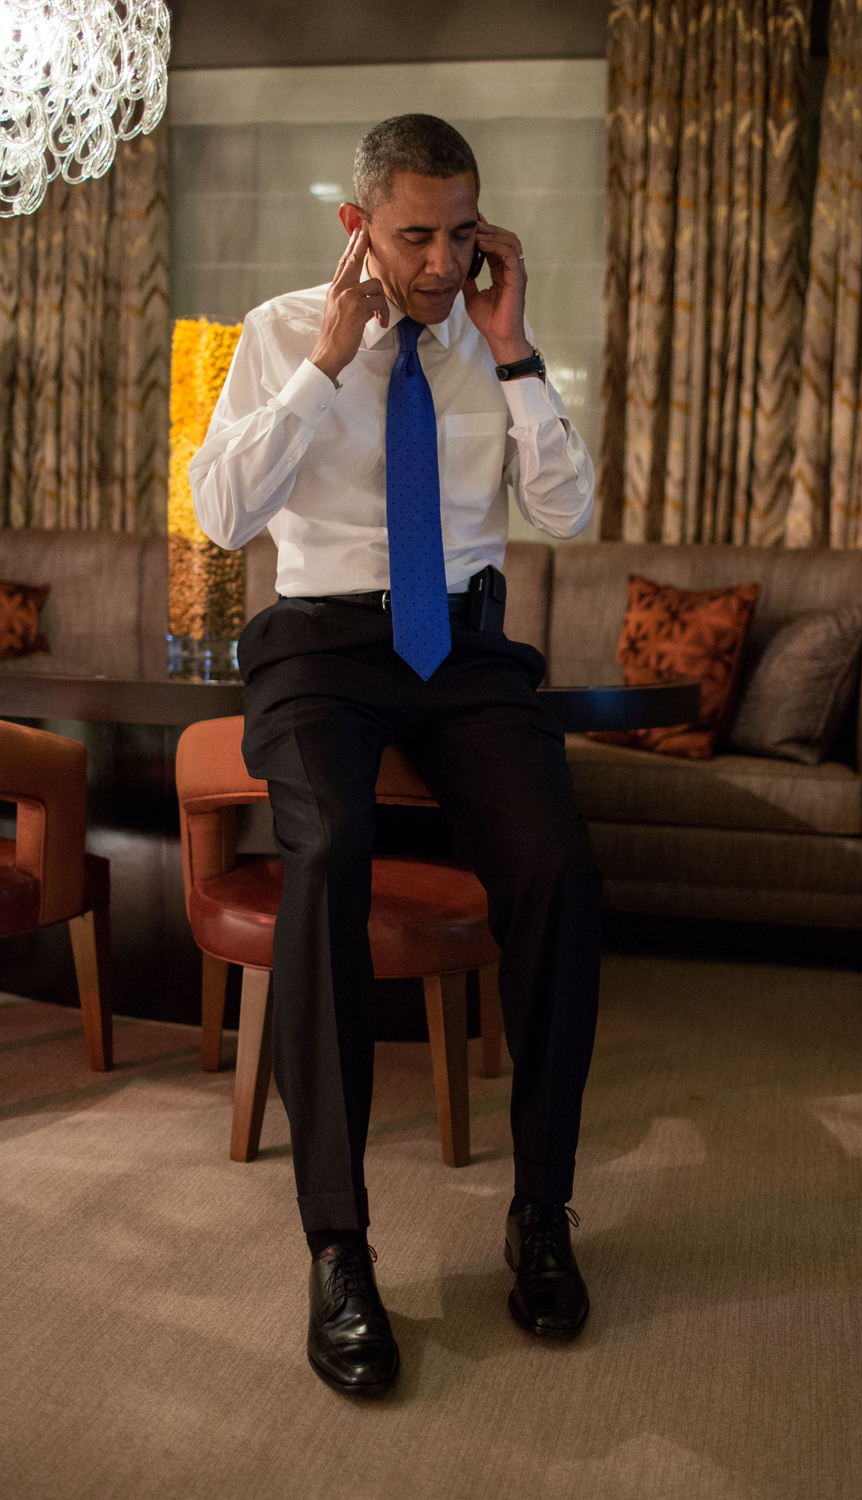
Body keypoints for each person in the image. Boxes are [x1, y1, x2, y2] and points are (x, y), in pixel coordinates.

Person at [190, 114, 601, 1397]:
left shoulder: (490, 345)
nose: (440, 260)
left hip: (465, 654)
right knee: (330, 851)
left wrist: (516, 350)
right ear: (358, 226)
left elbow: (568, 513)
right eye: (416, 234)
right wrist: (323, 367)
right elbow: (219, 512)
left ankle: (541, 1212)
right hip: (322, 646)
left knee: (555, 867)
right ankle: (338, 1246)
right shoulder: (276, 330)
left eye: (462, 232)